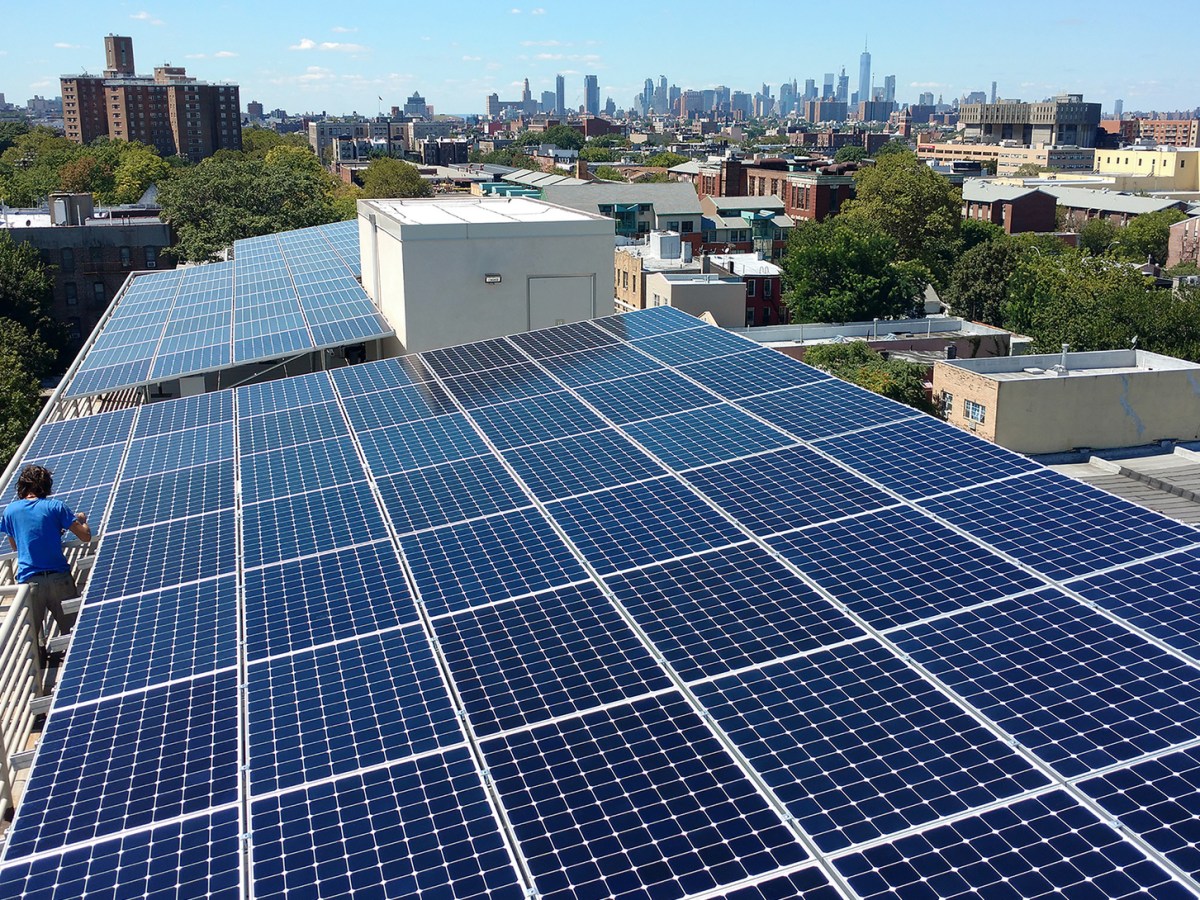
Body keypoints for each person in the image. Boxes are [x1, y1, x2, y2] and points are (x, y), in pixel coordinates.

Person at [1, 464, 92, 649]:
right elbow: (85, 536)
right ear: (45, 485)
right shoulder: (56, 507)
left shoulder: (10, 511)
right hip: (60, 578)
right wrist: (83, 520)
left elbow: (16, 546)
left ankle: (39, 666)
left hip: (30, 582)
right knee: (74, 636)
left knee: (30, 641)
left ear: (23, 486)